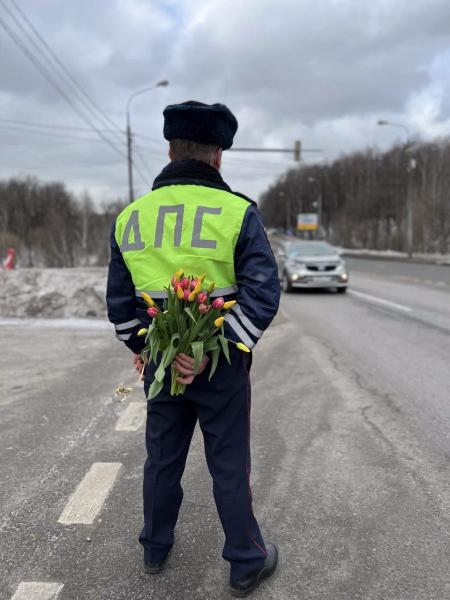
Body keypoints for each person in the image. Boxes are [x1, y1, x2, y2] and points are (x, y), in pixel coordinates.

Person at [106, 100, 280, 596]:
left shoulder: (131, 218)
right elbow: (263, 294)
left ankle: (155, 548)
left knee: (162, 456)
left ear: (169, 148)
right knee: (229, 460)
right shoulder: (238, 212)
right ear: (219, 155)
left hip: (163, 365)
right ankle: (246, 561)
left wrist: (151, 349)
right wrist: (217, 348)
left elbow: (120, 307)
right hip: (221, 366)